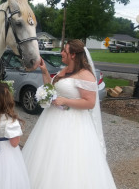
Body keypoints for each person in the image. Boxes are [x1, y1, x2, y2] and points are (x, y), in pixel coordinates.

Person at [22, 39, 117, 189]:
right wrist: (45, 71)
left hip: (74, 123)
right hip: (52, 120)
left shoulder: (85, 75)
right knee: (47, 156)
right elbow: (51, 89)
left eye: (64, 51)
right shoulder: (64, 70)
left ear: (73, 55)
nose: (61, 53)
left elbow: (89, 102)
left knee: (69, 159)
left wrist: (66, 100)